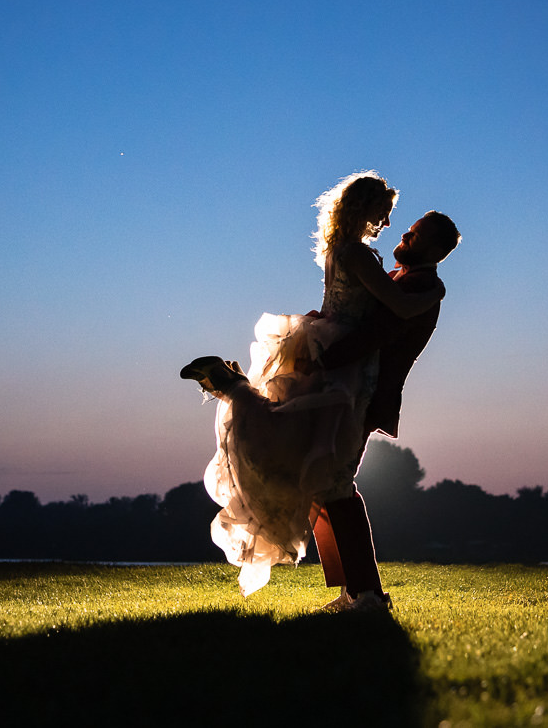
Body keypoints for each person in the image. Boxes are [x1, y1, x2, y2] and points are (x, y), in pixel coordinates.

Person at [180, 172, 444, 597]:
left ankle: (353, 592)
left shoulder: (339, 251)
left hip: (330, 350)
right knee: (329, 476)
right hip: (347, 368)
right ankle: (363, 594)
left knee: (310, 462)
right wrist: (435, 295)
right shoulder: (362, 257)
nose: (391, 225)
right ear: (367, 210)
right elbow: (395, 308)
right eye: (386, 214)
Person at [307, 210, 461, 611]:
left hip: (365, 394)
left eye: (414, 234)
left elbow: (375, 334)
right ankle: (355, 590)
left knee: (337, 484)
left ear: (432, 248)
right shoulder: (405, 280)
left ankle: (368, 593)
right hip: (353, 388)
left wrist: (323, 357)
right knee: (326, 483)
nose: (405, 235)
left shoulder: (422, 285)